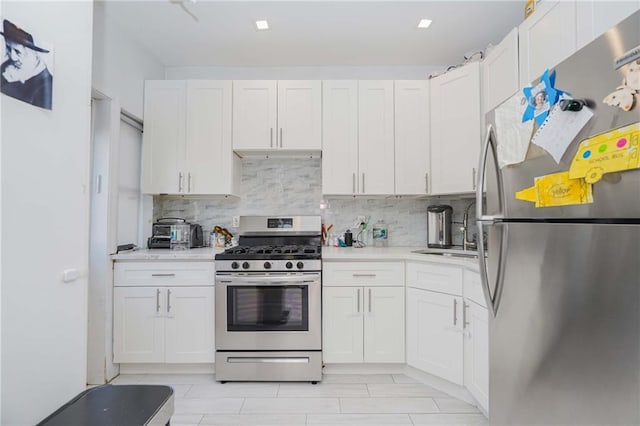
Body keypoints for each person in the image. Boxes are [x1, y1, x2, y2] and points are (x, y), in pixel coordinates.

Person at [1, 19, 52, 109]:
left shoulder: (45, 88)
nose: (13, 57)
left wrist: (13, 83)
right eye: (9, 48)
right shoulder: (5, 67)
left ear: (35, 53)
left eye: (18, 52)